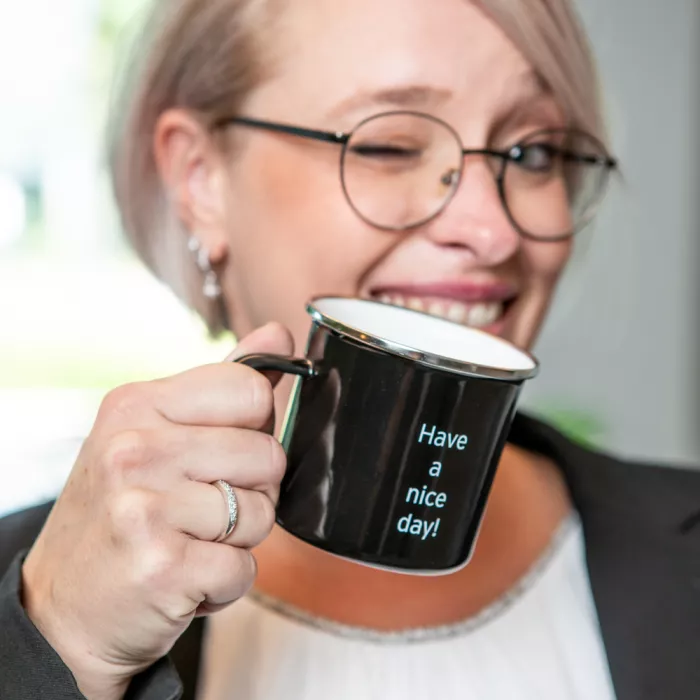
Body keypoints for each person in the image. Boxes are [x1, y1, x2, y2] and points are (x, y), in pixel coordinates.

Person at [1, 0, 698, 698]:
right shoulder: (34, 607)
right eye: (388, 146)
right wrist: (66, 650)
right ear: (200, 180)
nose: (492, 231)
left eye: (533, 153)